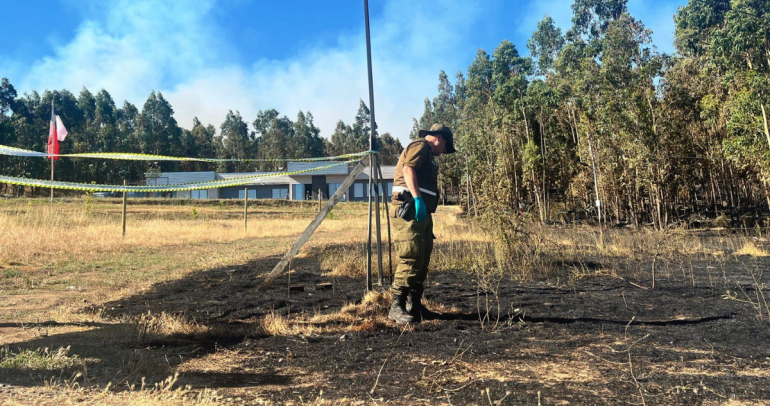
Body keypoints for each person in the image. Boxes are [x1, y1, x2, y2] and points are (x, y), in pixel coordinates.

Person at [388, 123, 456, 324]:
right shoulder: (420, 146)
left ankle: (414, 305)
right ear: (439, 138)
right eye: (446, 146)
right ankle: (397, 306)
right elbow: (408, 170)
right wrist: (417, 199)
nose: (444, 151)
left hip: (421, 214)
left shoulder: (429, 154)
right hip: (409, 210)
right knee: (410, 257)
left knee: (422, 258)